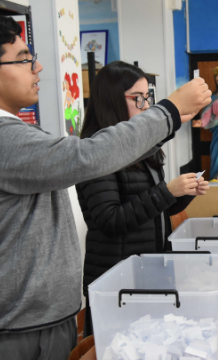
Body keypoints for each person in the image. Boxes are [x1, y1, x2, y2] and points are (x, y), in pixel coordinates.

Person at [0, 14, 211, 360]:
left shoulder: (8, 131)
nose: (38, 67)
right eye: (24, 58)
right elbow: (86, 158)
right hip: (16, 334)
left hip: (41, 324)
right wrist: (169, 111)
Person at [76, 61, 209, 334]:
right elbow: (110, 220)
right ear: (112, 99)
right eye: (138, 99)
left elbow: (155, 210)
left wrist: (183, 193)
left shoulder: (142, 147)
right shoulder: (96, 150)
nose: (146, 106)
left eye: (148, 97)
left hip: (149, 272)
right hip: (118, 281)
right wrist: (167, 191)